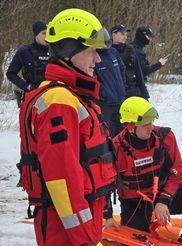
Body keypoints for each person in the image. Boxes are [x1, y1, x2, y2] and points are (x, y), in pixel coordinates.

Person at [18, 8, 116, 245]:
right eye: (91, 51)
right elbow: (62, 182)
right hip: (67, 230)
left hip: (82, 222)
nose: (98, 59)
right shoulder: (59, 102)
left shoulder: (72, 96)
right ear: (67, 52)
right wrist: (85, 240)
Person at [108, 96, 182, 246]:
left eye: (151, 122)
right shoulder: (115, 149)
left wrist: (163, 200)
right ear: (130, 126)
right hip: (135, 205)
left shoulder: (164, 137)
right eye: (144, 124)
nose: (150, 127)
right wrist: (107, 215)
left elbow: (177, 172)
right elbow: (103, 185)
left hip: (161, 195)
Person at [6, 21, 49, 106]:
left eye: (49, 33)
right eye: (44, 33)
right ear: (36, 35)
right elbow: (10, 73)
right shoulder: (24, 52)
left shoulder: (55, 52)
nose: (47, 36)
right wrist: (27, 86)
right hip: (32, 96)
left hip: (52, 95)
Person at [111, 24, 150, 99]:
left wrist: (144, 93)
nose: (125, 37)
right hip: (114, 93)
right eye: (122, 34)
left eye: (126, 35)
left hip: (131, 91)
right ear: (114, 34)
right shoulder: (107, 51)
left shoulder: (130, 50)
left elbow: (139, 72)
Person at [94, 47, 126, 137]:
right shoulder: (93, 54)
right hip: (105, 103)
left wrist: (122, 86)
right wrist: (103, 93)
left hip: (120, 100)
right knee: (106, 133)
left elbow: (122, 69)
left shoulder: (113, 52)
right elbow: (92, 78)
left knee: (122, 131)